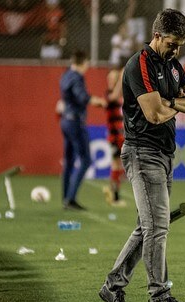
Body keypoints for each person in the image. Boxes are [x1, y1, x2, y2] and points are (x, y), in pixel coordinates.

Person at [99, 9, 185, 302]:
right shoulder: (139, 65)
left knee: (148, 226)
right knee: (157, 227)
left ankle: (112, 286)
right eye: (172, 43)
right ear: (156, 36)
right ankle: (160, 297)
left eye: (181, 44)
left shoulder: (172, 64)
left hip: (164, 154)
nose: (177, 50)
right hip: (143, 153)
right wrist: (177, 105)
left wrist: (171, 102)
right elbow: (154, 114)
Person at [60, 50, 107, 211]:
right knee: (85, 160)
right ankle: (71, 199)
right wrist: (98, 101)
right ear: (83, 62)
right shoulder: (77, 77)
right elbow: (81, 96)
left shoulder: (66, 75)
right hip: (75, 122)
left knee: (69, 161)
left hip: (65, 120)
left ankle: (66, 197)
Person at [102, 57, 128, 207]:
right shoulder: (110, 95)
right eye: (110, 78)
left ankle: (112, 192)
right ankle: (114, 196)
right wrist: (121, 78)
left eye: (114, 78)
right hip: (114, 137)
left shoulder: (121, 97)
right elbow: (114, 96)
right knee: (117, 165)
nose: (112, 80)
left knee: (120, 167)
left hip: (122, 136)